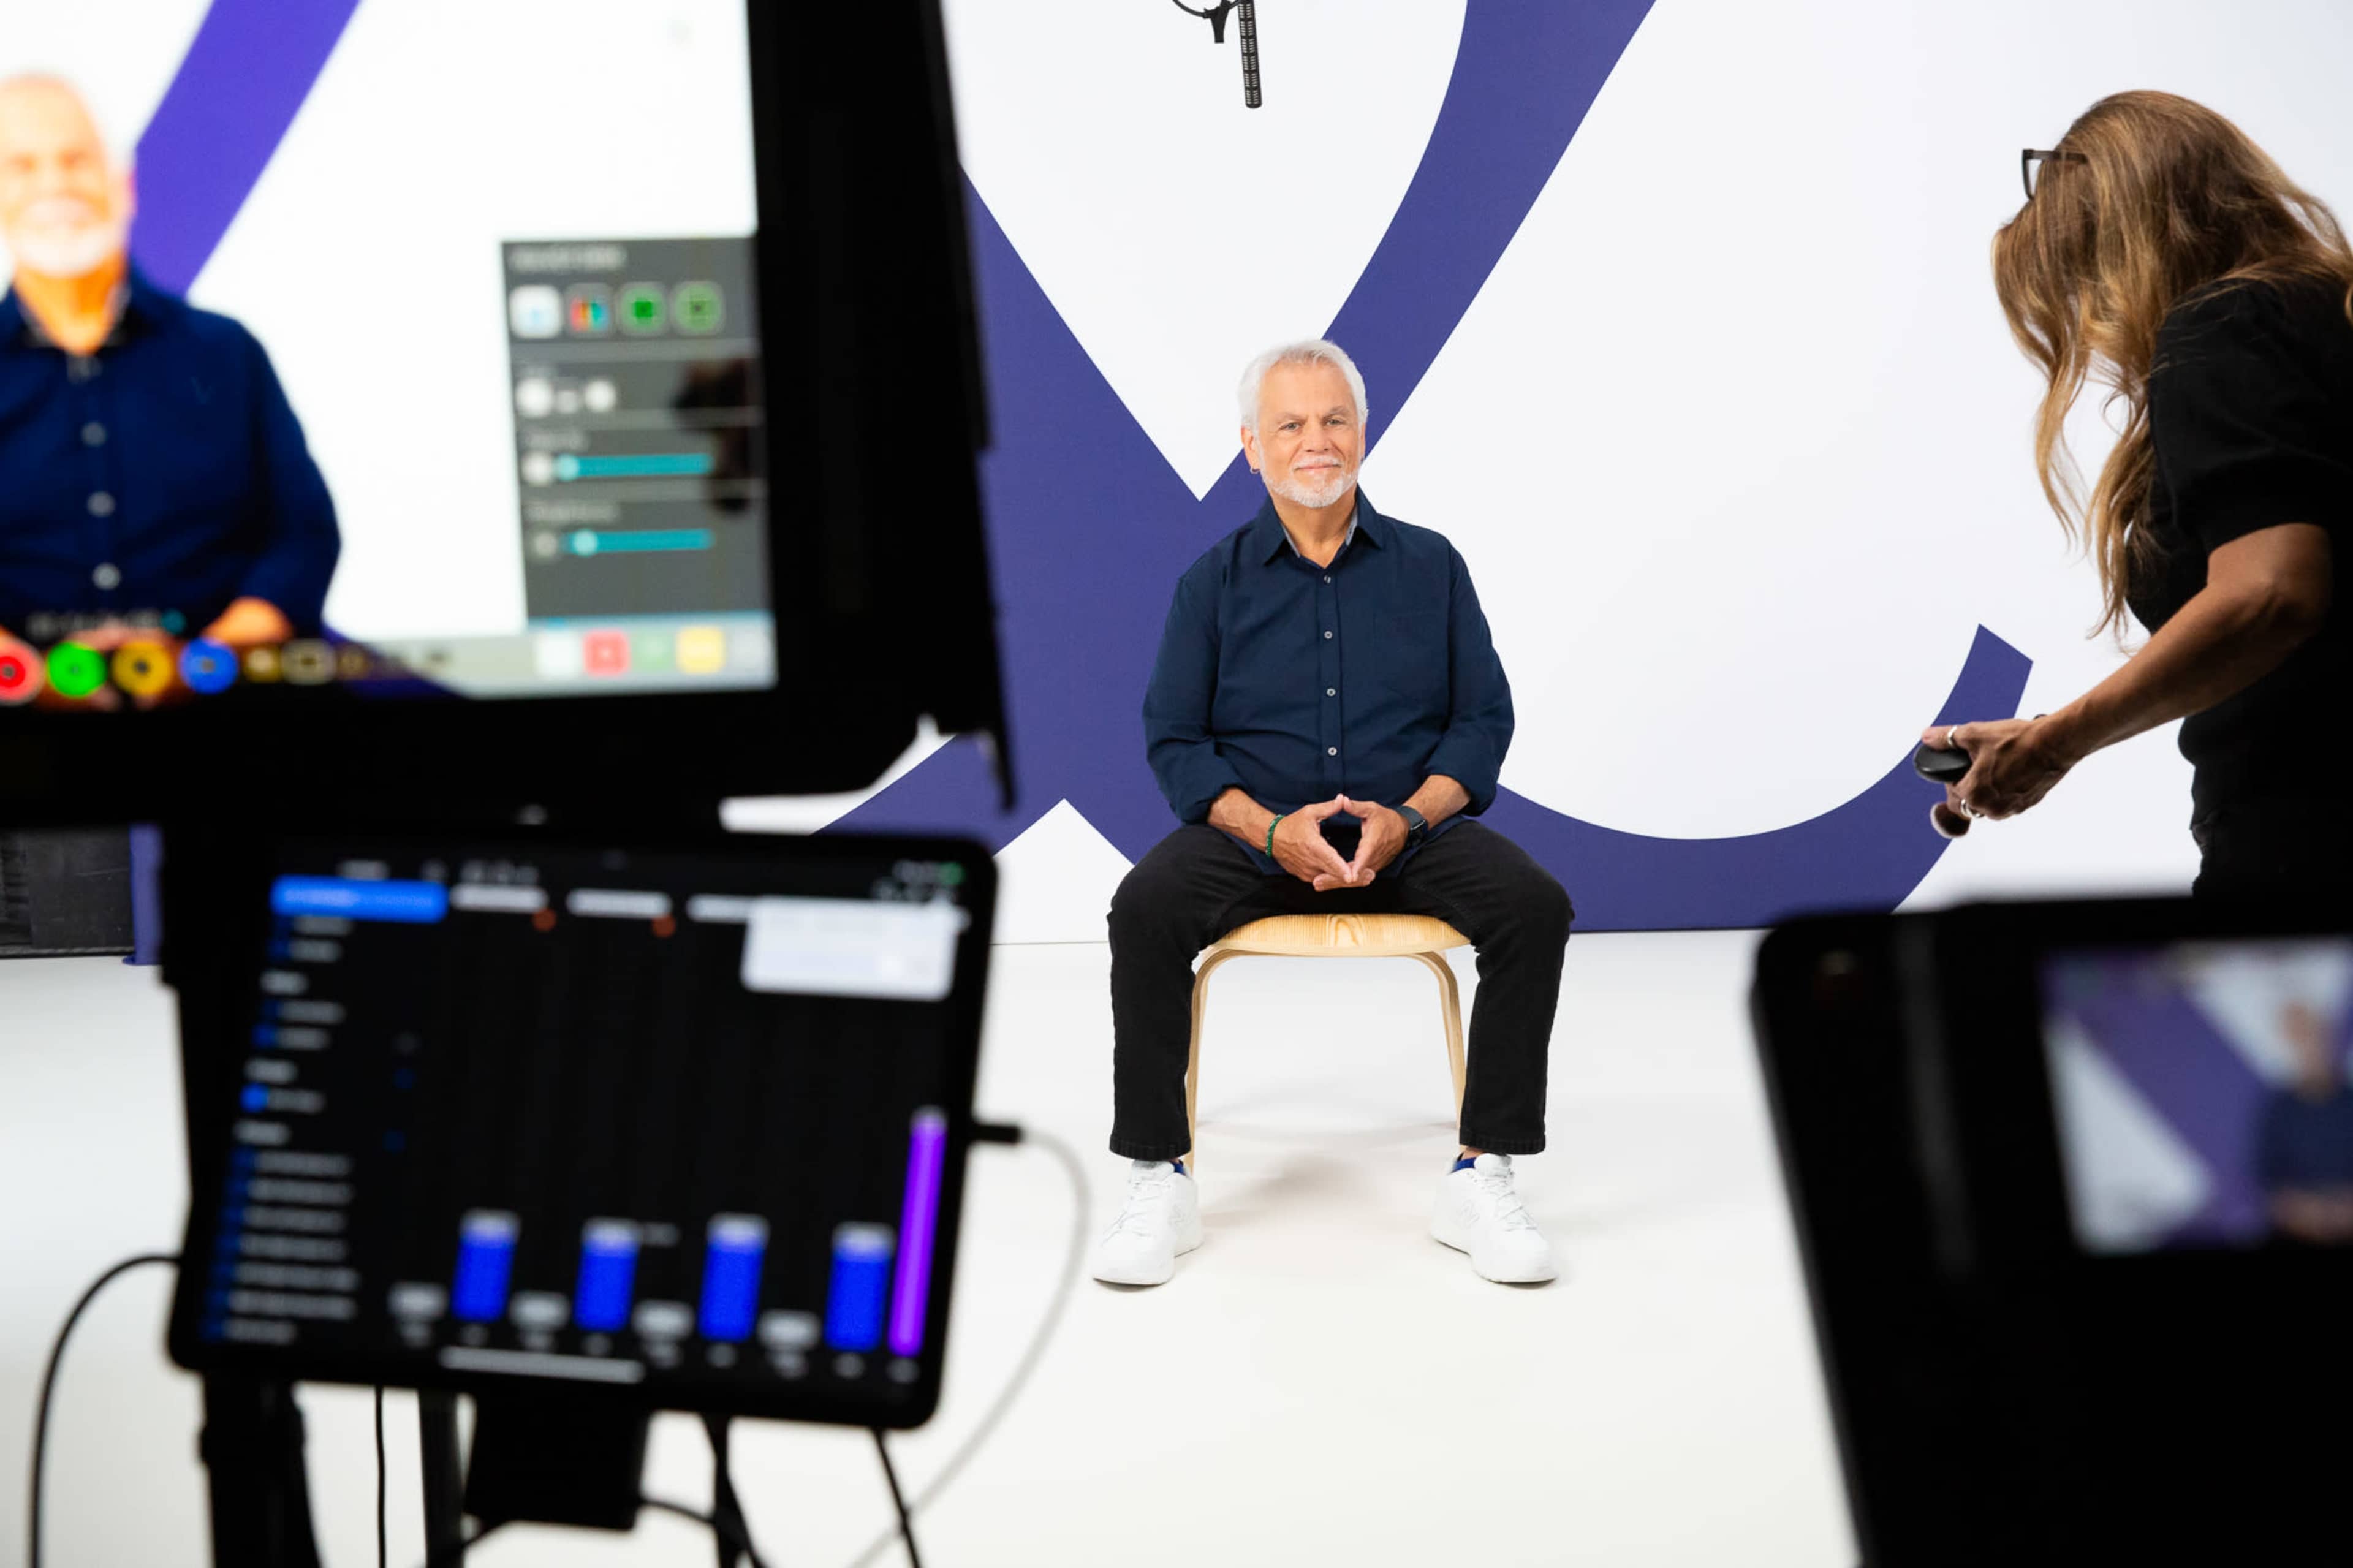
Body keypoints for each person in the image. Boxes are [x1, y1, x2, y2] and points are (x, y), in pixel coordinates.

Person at [1094, 339, 1574, 1287]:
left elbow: (1483, 720)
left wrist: (1412, 816)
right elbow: (1176, 738)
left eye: (1334, 420)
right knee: (1144, 908)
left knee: (1534, 904)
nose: (1316, 441)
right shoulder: (1213, 582)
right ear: (1252, 448)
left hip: (1408, 834)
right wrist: (1270, 829)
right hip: (1256, 838)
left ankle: (1482, 1169)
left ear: (1362, 432)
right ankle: (1163, 1174)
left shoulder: (1433, 567)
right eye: (1291, 425)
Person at [1922, 91, 2353, 901]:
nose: (2094, 331)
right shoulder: (2325, 315)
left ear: (2124, 252)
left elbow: (2270, 593)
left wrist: (2055, 746)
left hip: (2308, 858)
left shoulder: (2222, 323)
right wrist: (2048, 732)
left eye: (2082, 286)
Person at [0, 73, 338, 698]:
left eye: (76, 160)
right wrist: (29, 683)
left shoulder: (225, 353)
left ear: (121, 185)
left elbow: (304, 536)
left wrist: (205, 665)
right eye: (22, 166)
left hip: (227, 730)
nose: (54, 184)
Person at [2254, 1001, 2353, 1246]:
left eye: (2312, 1034)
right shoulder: (2278, 1110)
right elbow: (2269, 1181)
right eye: (2299, 1037)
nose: (2308, 1045)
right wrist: (2302, 1212)